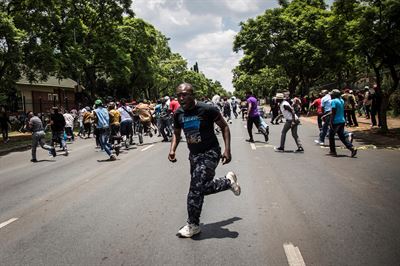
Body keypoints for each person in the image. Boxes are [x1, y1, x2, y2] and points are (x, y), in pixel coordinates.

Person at [168, 83, 241, 238]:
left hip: (211, 152)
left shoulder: (207, 109)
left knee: (195, 189)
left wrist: (227, 149)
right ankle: (227, 182)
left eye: (185, 94)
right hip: (193, 155)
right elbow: (176, 133)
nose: (181, 98)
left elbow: (224, 127)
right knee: (200, 188)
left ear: (192, 94)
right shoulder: (178, 113)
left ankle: (193, 224)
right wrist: (172, 149)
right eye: (179, 95)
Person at [328, 89, 357, 157]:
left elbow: (334, 112)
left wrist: (331, 121)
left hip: (336, 121)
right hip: (342, 120)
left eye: (332, 94)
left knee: (331, 136)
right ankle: (352, 148)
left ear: (334, 95)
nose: (331, 96)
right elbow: (338, 110)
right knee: (342, 136)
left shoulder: (333, 101)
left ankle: (333, 151)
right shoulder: (341, 100)